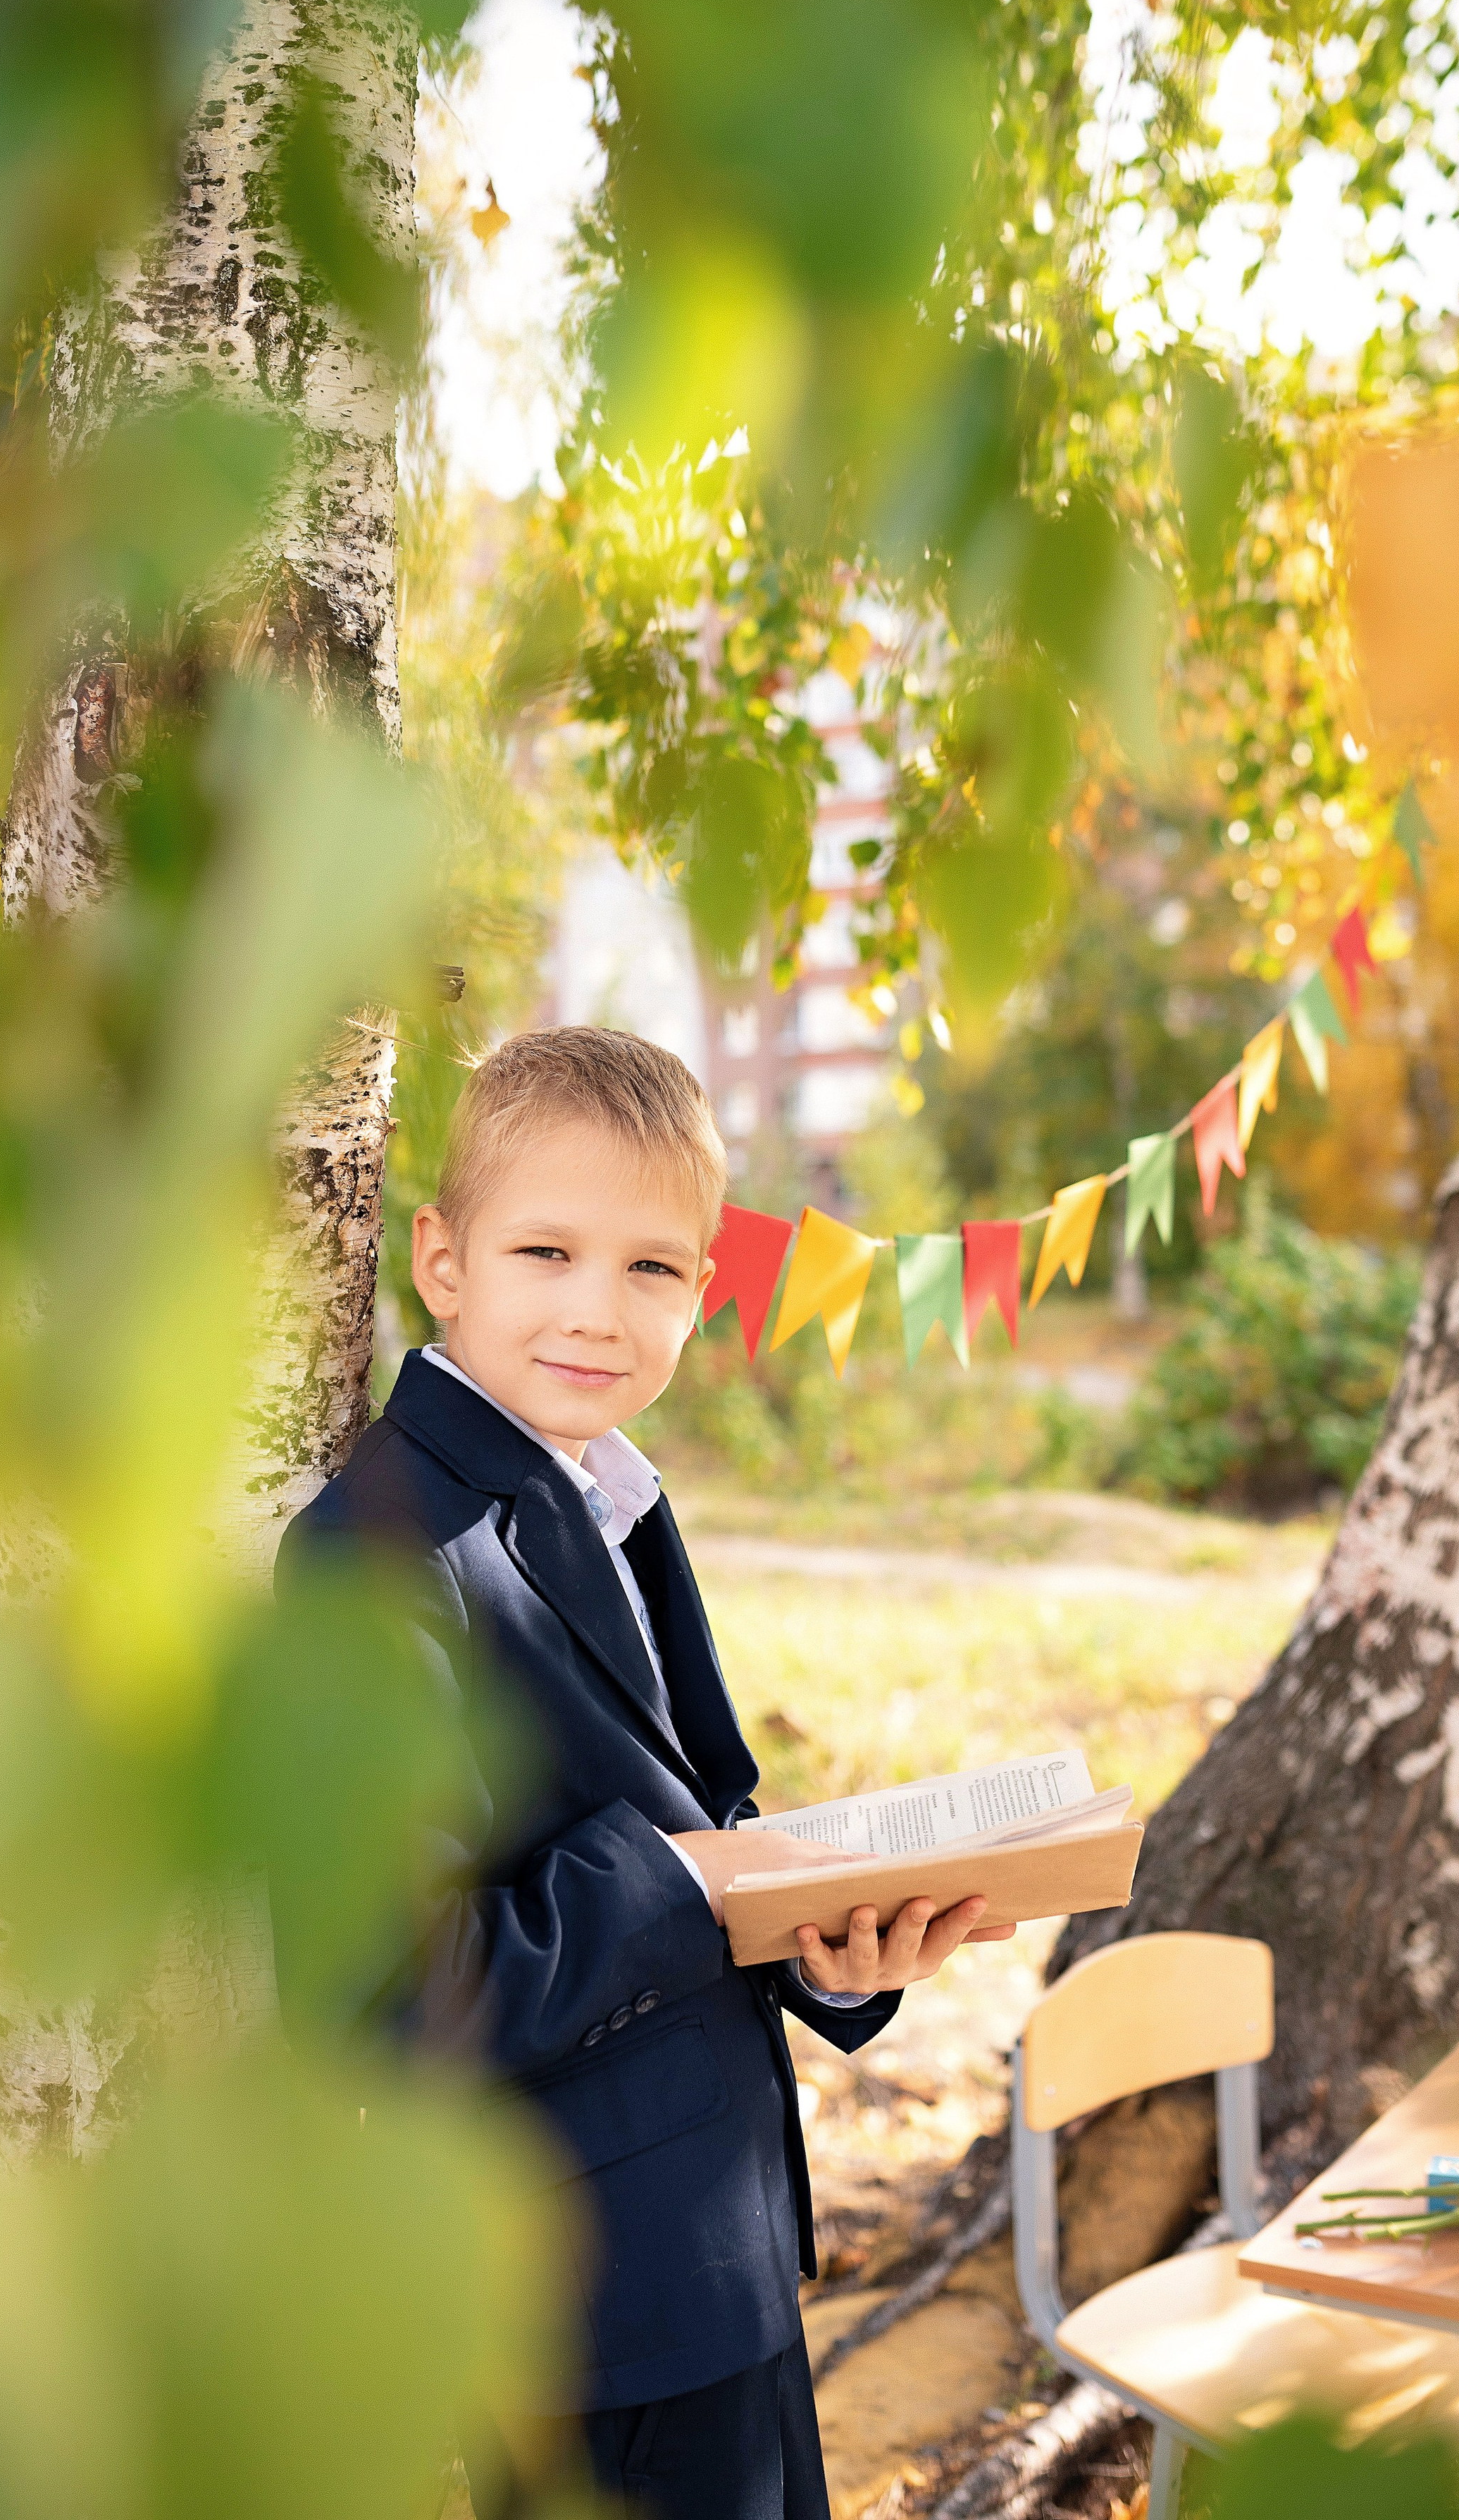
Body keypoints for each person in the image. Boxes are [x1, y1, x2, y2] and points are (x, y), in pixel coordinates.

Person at [277, 1026, 1013, 2520]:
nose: (595, 1313)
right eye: (545, 1250)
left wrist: (833, 1944)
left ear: (704, 1286)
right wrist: (691, 1879)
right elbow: (387, 1990)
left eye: (651, 1269)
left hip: (712, 2248)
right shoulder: (380, 1551)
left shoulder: (602, 1488)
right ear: (442, 1257)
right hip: (576, 2310)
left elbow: (699, 1820)